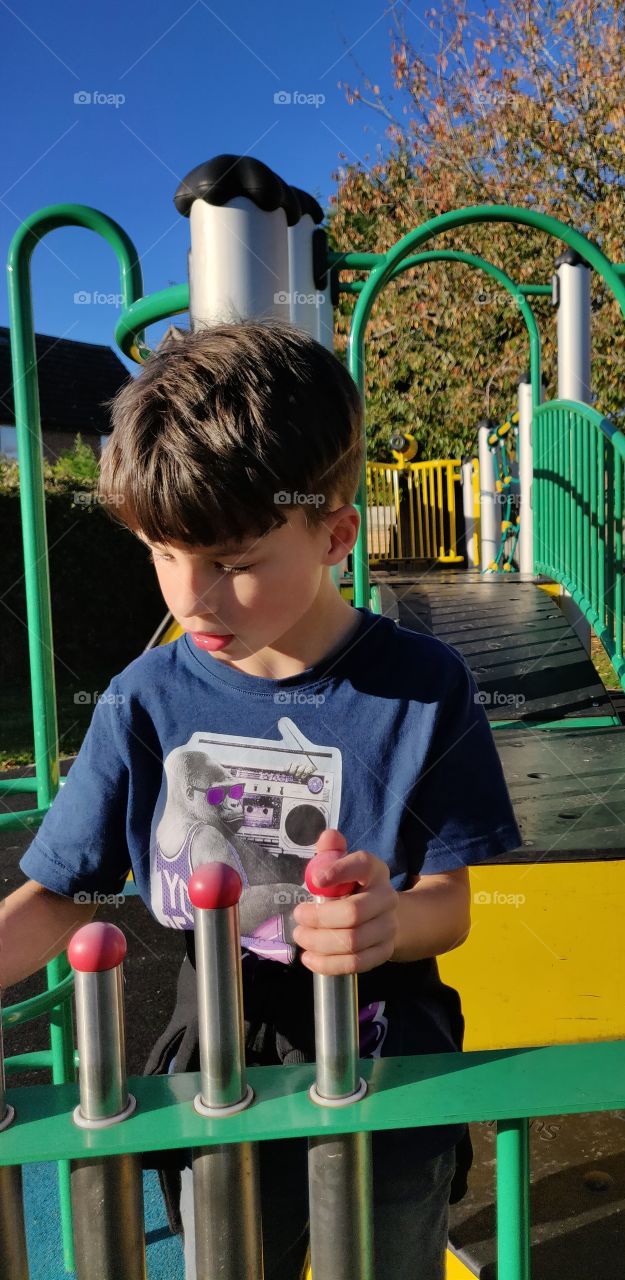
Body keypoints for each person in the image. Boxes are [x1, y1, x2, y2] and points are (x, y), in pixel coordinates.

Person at [2, 320, 522, 1280]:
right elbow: (66, 889)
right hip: (217, 1055)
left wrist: (388, 922)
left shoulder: (423, 686)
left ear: (333, 531)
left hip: (384, 1046)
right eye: (163, 553)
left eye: (233, 563)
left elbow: (452, 902)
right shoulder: (145, 697)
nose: (192, 597)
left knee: (389, 1257)